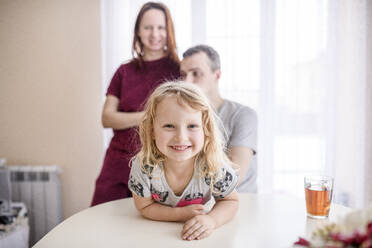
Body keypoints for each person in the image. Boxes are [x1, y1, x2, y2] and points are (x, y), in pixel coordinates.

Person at [91, 2, 180, 206]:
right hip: (117, 164)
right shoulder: (124, 71)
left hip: (159, 165)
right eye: (148, 27)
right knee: (104, 223)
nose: (154, 34)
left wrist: (128, 119)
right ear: (138, 32)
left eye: (160, 27)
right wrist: (149, 116)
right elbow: (107, 118)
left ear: (169, 30)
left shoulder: (178, 71)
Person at [128, 81, 239, 241]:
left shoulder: (213, 165)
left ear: (205, 129)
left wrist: (211, 220)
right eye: (169, 126)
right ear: (152, 130)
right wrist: (179, 214)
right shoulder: (145, 166)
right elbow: (144, 206)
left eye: (192, 126)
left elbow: (230, 201)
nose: (181, 137)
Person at [180, 45, 258, 193]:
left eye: (196, 73)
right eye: (183, 75)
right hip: (199, 205)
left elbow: (233, 177)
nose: (187, 82)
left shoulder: (243, 115)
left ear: (217, 75)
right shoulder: (181, 118)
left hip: (241, 203)